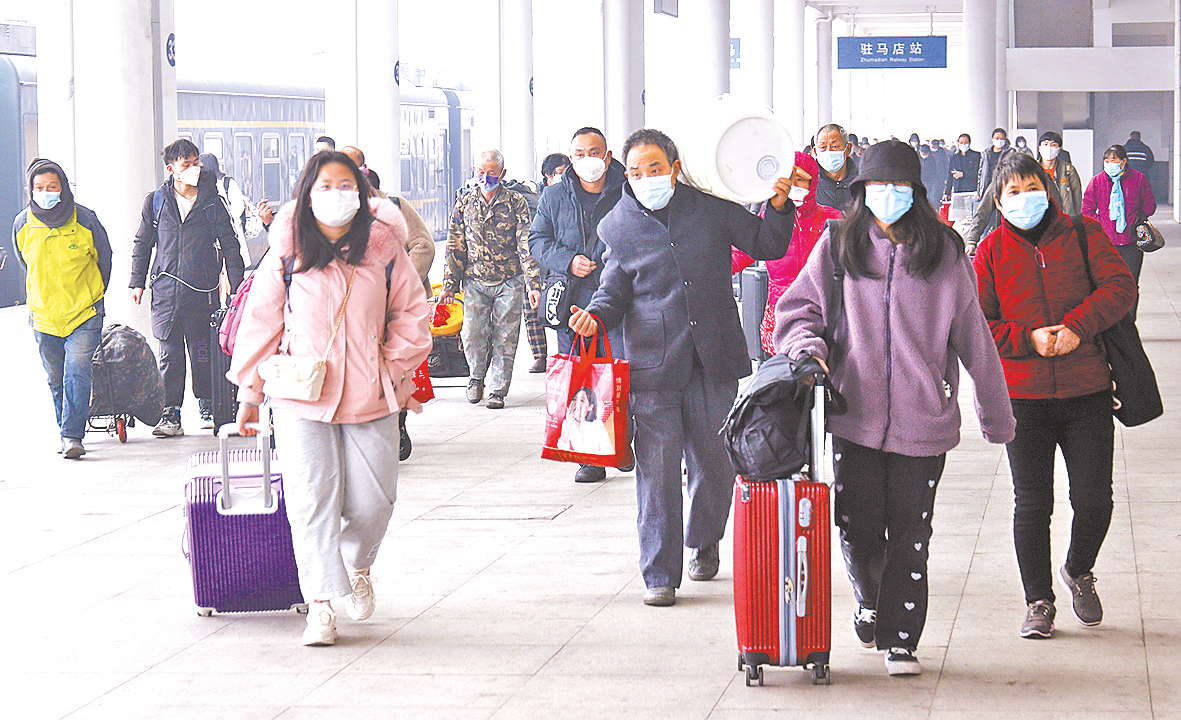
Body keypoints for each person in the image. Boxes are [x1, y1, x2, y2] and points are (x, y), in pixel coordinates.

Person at [774, 140, 1015, 676]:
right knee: (856, 526)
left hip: (924, 420)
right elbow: (798, 312)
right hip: (852, 417)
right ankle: (869, 599)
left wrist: (996, 415)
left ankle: (901, 639)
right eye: (878, 185)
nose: (888, 195)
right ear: (861, 191)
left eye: (900, 186)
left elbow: (974, 336)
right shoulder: (837, 244)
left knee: (911, 532)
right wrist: (808, 349)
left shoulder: (944, 252)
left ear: (917, 192)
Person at [568, 128, 800, 607]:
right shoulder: (617, 226)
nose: (645, 178)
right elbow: (613, 291)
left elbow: (766, 243)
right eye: (636, 172)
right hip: (652, 365)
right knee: (656, 472)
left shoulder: (710, 208)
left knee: (714, 464)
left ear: (674, 168)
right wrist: (595, 316)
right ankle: (658, 573)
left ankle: (704, 539)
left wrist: (779, 207)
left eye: (654, 168)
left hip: (714, 357)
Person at [228, 150, 431, 646]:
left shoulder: (384, 249)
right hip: (300, 394)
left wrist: (391, 367)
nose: (335, 195)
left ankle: (358, 566)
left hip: (371, 393)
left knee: (373, 500)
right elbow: (261, 321)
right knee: (311, 498)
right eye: (325, 186)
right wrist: (250, 393)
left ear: (361, 194)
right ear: (307, 193)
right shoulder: (287, 251)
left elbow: (412, 313)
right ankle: (319, 604)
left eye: (345, 186)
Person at [974, 153, 1135, 639]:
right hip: (1023, 397)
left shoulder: (1083, 233)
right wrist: (1028, 339)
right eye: (1013, 192)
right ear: (999, 201)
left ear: (1048, 190)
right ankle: (1038, 601)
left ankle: (1078, 569)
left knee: (1094, 500)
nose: (1024, 199)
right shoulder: (990, 252)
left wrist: (1076, 327)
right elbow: (979, 323)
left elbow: (1120, 286)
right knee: (1032, 503)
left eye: (1032, 188)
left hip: (1087, 388)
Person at [529, 127, 629, 484]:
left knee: (623, 372)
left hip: (621, 296)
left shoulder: (627, 190)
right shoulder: (554, 196)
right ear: (571, 158)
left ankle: (623, 441)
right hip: (574, 300)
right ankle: (590, 457)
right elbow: (537, 240)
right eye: (580, 153)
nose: (588, 160)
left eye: (594, 152)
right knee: (582, 378)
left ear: (608, 155)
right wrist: (568, 260)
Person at [131, 138, 244, 435]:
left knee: (202, 352)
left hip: (202, 291)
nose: (194, 168)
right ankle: (171, 413)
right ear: (172, 169)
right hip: (165, 291)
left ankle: (208, 404)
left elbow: (230, 245)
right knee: (169, 355)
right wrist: (137, 282)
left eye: (196, 162)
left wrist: (236, 288)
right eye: (187, 164)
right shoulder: (156, 202)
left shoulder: (212, 201)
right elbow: (143, 243)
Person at [11, 158, 112, 459]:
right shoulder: (22, 223)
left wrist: (93, 295)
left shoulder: (85, 220)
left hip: (84, 311)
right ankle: (64, 428)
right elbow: (25, 263)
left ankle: (72, 435)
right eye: (39, 188)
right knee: (55, 378)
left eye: (52, 186)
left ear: (63, 187)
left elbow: (104, 259)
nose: (46, 192)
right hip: (44, 314)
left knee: (76, 372)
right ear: (30, 190)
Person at [340, 145, 435, 460]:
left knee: (393, 367)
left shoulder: (392, 207)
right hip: (351, 312)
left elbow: (423, 245)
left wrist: (399, 285)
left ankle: (396, 421)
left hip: (392, 309)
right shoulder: (328, 213)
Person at [439, 149, 540, 410]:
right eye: (481, 172)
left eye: (492, 173)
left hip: (509, 280)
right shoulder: (465, 202)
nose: (486, 178)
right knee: (472, 333)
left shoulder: (516, 202)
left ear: (502, 174)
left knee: (506, 336)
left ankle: (497, 389)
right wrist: (449, 285)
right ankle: (476, 377)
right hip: (474, 280)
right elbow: (455, 244)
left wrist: (533, 284)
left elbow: (526, 244)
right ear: (474, 171)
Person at [731, 151, 842, 355]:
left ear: (813, 183)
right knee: (780, 371)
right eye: (788, 178)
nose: (793, 185)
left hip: (822, 313)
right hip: (780, 315)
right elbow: (736, 256)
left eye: (800, 179)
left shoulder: (832, 218)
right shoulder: (768, 220)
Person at [1081, 144, 1156, 320]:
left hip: (1131, 242)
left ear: (1123, 162)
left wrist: (1137, 218)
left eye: (1113, 160)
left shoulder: (1138, 179)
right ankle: (1111, 319)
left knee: (1131, 282)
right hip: (1106, 242)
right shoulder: (1097, 181)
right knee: (1107, 283)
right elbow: (1087, 210)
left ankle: (1129, 319)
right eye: (1106, 161)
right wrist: (1102, 224)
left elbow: (1150, 204)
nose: (1110, 164)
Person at [198, 153, 259, 269]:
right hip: (210, 237)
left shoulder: (227, 183)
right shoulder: (199, 185)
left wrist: (222, 218)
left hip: (230, 232)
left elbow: (238, 206)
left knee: (230, 264)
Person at [812, 123, 859, 210]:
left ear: (848, 149)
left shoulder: (859, 182)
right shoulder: (809, 183)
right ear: (815, 152)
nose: (829, 151)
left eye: (835, 146)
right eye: (822, 147)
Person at [1035, 132, 1083, 216]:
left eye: (1053, 145)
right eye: (1045, 144)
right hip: (1040, 217)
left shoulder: (1068, 170)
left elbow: (1077, 196)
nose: (1049, 148)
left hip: (1064, 218)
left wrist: (1076, 218)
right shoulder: (1032, 170)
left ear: (1059, 149)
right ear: (1039, 148)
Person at [557, 386, 613, 455]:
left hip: (596, 461)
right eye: (574, 399)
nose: (576, 403)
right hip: (578, 461)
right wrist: (568, 421)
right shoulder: (568, 424)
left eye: (581, 400)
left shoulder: (597, 425)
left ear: (590, 407)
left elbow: (608, 451)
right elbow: (562, 450)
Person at [943, 133, 981, 201]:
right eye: (961, 142)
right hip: (958, 190)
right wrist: (947, 192)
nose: (963, 144)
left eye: (965, 142)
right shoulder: (954, 158)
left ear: (969, 143)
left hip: (972, 189)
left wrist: (963, 174)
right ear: (958, 143)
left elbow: (978, 172)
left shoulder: (976, 156)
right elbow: (950, 176)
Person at [979, 128, 1015, 196]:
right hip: (987, 187)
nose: (999, 141)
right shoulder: (986, 153)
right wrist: (979, 191)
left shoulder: (1011, 152)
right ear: (992, 139)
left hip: (1004, 186)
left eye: (1001, 139)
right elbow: (981, 173)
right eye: (997, 138)